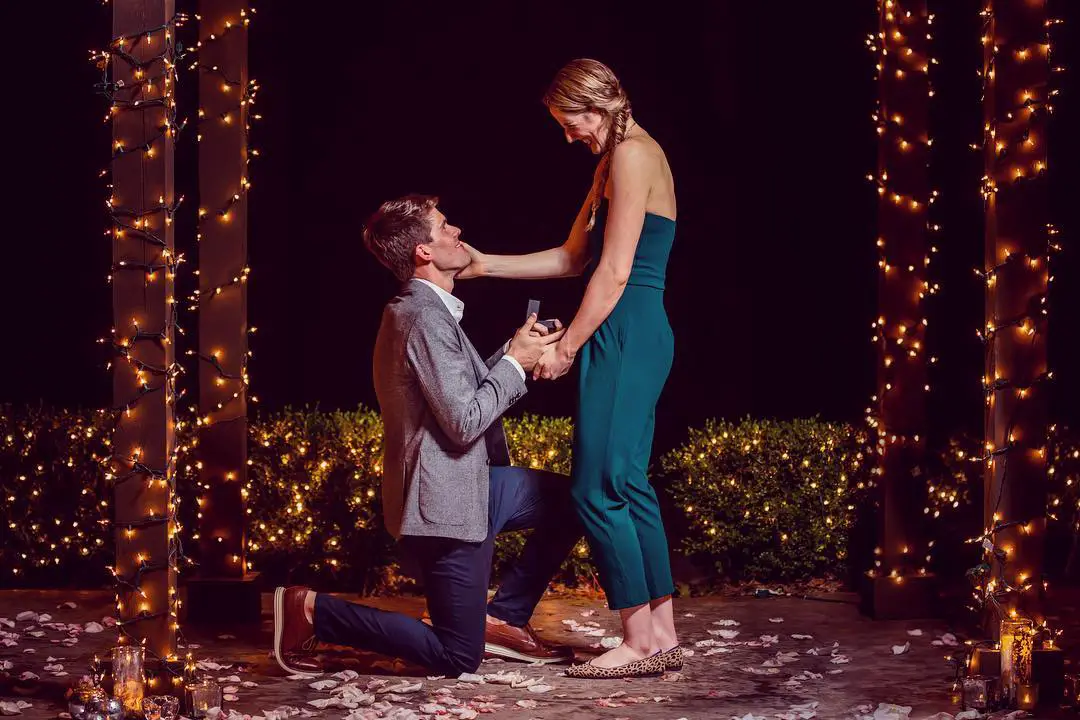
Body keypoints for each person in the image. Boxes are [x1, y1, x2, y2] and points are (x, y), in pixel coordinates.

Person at [272, 194, 582, 677]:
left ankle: (501, 618)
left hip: (474, 483)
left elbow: (452, 392)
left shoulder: (426, 312)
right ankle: (313, 610)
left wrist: (515, 350)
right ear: (424, 251)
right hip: (444, 504)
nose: (457, 231)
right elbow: (462, 423)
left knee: (578, 499)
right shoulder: (422, 317)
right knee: (457, 656)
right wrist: (514, 365)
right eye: (444, 227)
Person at [458, 59, 680, 679]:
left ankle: (637, 640)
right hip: (625, 327)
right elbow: (572, 257)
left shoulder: (634, 155)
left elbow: (613, 273)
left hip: (626, 327)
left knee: (594, 488)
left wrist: (567, 347)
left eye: (571, 121)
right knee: (627, 483)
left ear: (600, 105)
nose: (568, 136)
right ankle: (660, 634)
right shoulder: (612, 162)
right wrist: (485, 265)